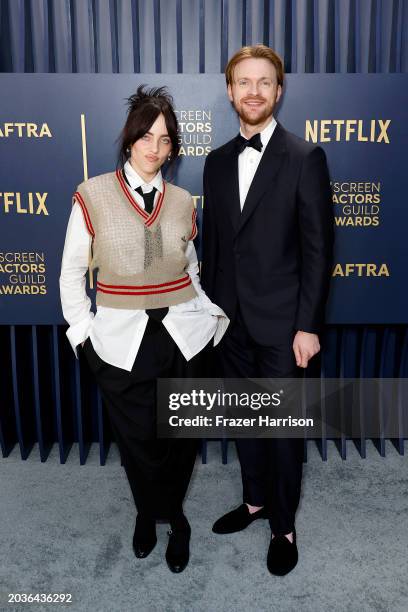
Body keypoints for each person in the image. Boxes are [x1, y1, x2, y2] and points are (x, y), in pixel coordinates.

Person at [60, 85, 228, 573]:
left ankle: (175, 518)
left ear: (173, 147)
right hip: (121, 344)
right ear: (130, 139)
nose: (155, 148)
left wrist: (208, 316)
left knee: (179, 441)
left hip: (183, 338)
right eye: (146, 136)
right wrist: (82, 337)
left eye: (166, 139)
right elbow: (73, 274)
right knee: (138, 444)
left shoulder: (180, 201)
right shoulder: (91, 195)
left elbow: (190, 268)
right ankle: (146, 512)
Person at [201, 45, 333, 575]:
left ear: (279, 92)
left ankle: (284, 524)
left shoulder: (305, 158)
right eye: (243, 82)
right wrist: (210, 316)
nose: (253, 91)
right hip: (230, 325)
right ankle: (255, 501)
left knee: (281, 431)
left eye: (264, 82)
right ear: (230, 91)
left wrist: (307, 326)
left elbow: (318, 250)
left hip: (283, 327)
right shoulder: (214, 163)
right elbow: (216, 246)